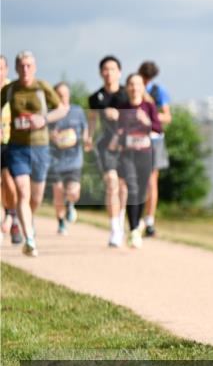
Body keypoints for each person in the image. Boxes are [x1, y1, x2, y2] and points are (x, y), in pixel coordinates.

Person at [0, 51, 68, 256]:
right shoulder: (11, 90)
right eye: (21, 65)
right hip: (17, 147)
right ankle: (29, 239)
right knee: (22, 191)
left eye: (29, 65)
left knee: (35, 197)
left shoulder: (42, 88)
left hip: (40, 147)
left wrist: (44, 119)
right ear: (16, 67)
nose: (25, 69)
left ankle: (29, 220)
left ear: (35, 67)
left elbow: (62, 109)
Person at [110, 72, 161, 248]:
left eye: (137, 84)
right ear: (127, 87)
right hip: (127, 154)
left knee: (141, 192)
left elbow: (158, 128)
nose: (134, 88)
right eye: (131, 84)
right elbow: (118, 130)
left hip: (145, 154)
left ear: (142, 87)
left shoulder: (149, 106)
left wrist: (145, 120)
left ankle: (137, 224)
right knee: (131, 188)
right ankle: (133, 230)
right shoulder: (122, 107)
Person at [88, 55, 131, 247]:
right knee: (112, 183)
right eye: (105, 69)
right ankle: (114, 229)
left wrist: (119, 115)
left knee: (123, 187)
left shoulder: (127, 94)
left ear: (119, 72)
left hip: (126, 145)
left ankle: (120, 220)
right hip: (105, 145)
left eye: (113, 69)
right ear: (100, 72)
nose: (109, 73)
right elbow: (91, 120)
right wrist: (87, 138)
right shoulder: (95, 98)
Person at [48, 82, 89, 235]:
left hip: (74, 160)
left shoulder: (77, 111)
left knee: (73, 192)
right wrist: (52, 136)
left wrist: (86, 140)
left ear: (69, 95)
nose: (62, 97)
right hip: (56, 160)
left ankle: (70, 204)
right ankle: (60, 223)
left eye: (64, 94)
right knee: (58, 192)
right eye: (59, 95)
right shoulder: (50, 113)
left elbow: (85, 129)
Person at [137, 60, 171, 237]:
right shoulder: (131, 88)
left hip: (154, 140)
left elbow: (167, 117)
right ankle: (133, 219)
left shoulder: (158, 91)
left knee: (151, 181)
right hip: (134, 140)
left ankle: (149, 221)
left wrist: (150, 116)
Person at [0, 54, 22, 243]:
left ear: (6, 70)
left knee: (8, 181)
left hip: (10, 143)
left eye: (1, 68)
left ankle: (12, 216)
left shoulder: (13, 90)